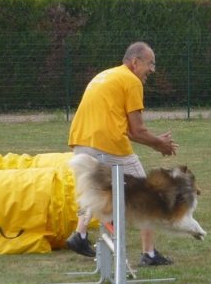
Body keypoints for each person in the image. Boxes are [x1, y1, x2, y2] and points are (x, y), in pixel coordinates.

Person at [66, 41, 179, 266]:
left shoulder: (106, 75)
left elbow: (127, 128)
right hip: (108, 143)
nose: (152, 70)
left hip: (80, 140)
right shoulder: (131, 81)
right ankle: (149, 254)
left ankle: (79, 234)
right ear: (135, 62)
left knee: (95, 189)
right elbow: (136, 130)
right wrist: (160, 144)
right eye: (150, 64)